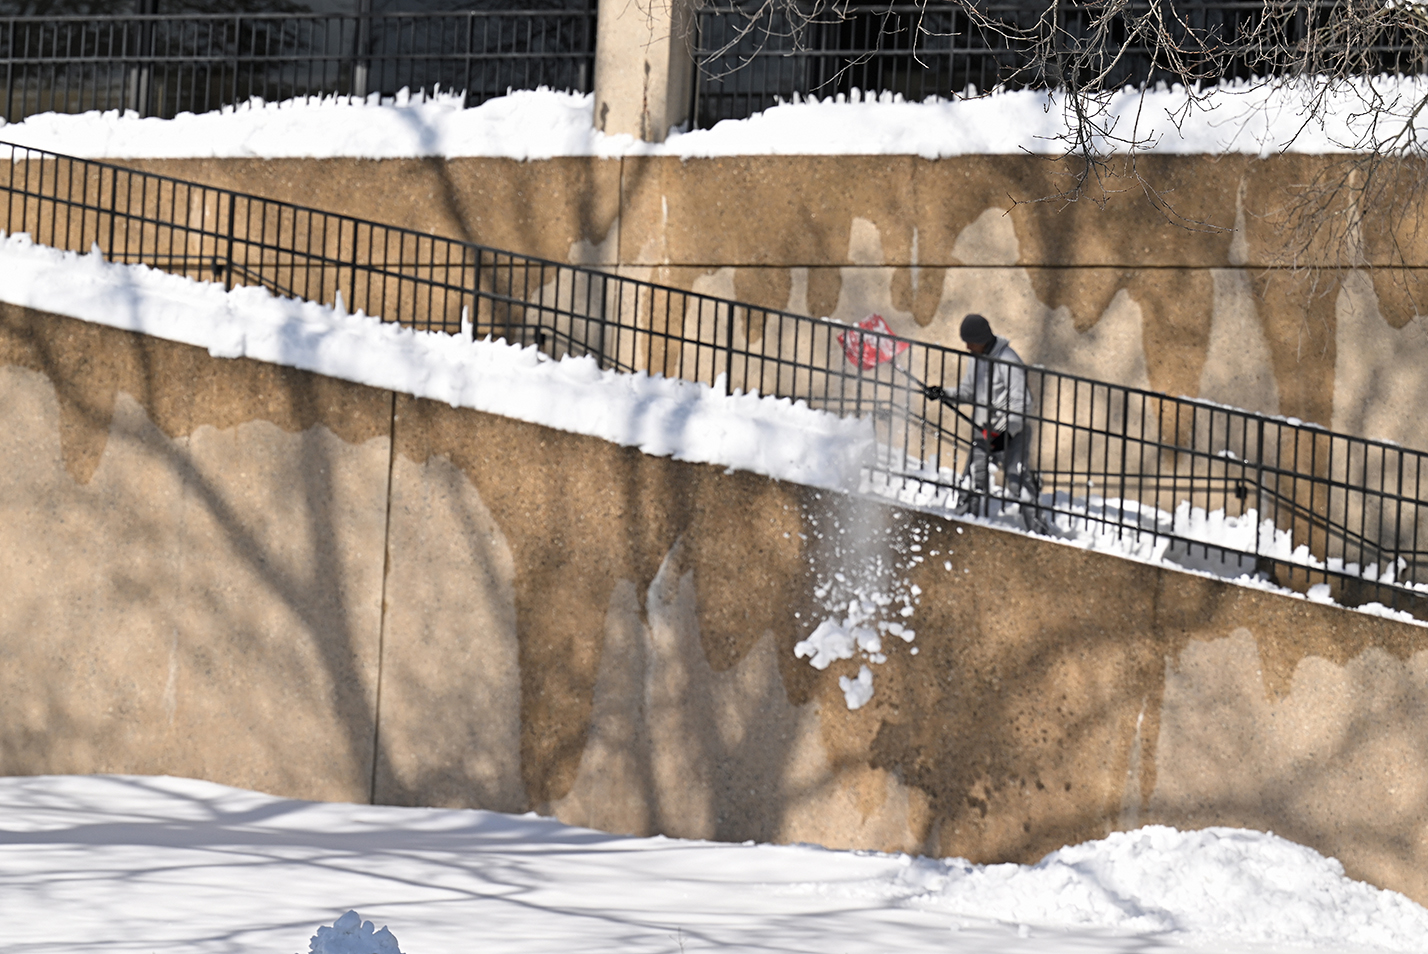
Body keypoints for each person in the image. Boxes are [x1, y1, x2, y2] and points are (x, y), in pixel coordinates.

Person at [924, 314, 1049, 534]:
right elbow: (968, 393)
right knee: (974, 478)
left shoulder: (1008, 360)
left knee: (1016, 481)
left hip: (1011, 433)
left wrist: (1005, 434)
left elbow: (1022, 402)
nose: (966, 346)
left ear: (981, 339)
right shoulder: (977, 358)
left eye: (969, 341)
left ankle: (1040, 532)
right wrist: (943, 393)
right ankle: (963, 526)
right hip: (984, 432)